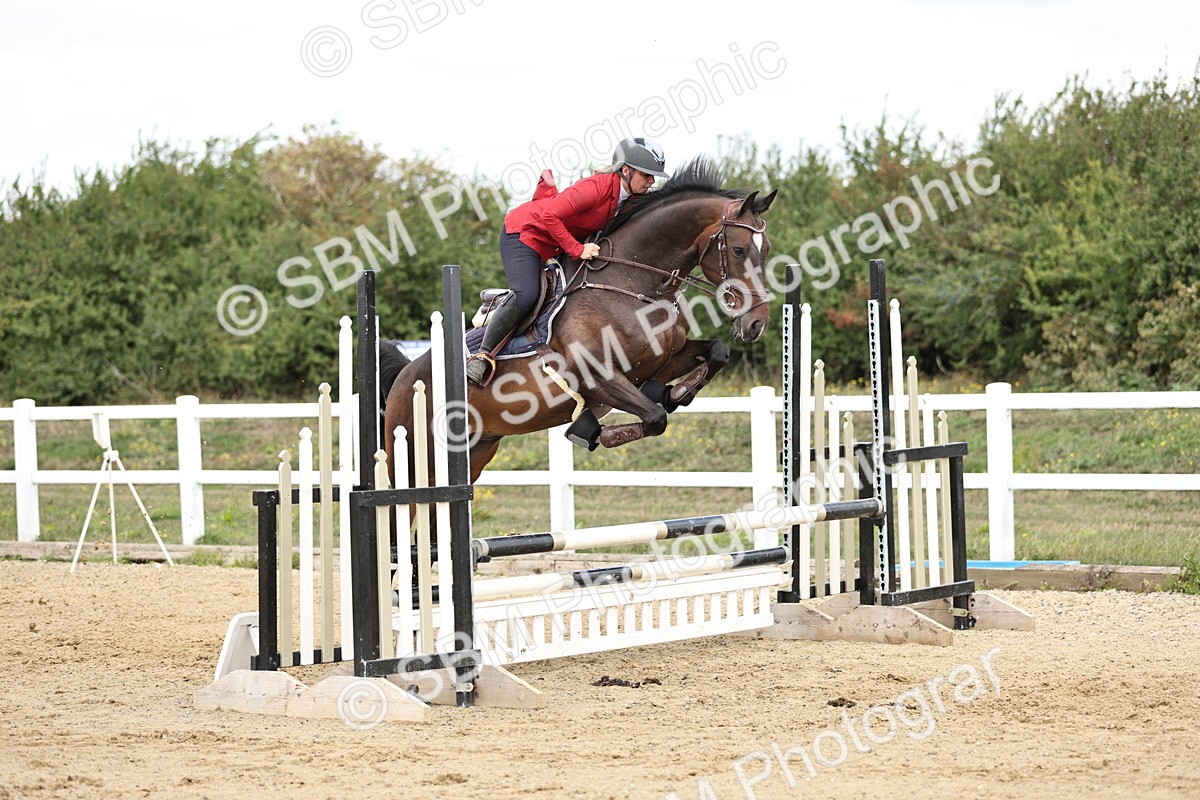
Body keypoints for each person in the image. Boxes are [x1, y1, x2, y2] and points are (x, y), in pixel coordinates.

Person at [466, 137, 668, 387]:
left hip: (552, 241)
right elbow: (550, 216)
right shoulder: (596, 187)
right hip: (523, 234)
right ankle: (481, 355)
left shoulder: (627, 196)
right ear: (626, 171)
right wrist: (578, 250)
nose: (652, 181)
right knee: (527, 294)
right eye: (647, 175)